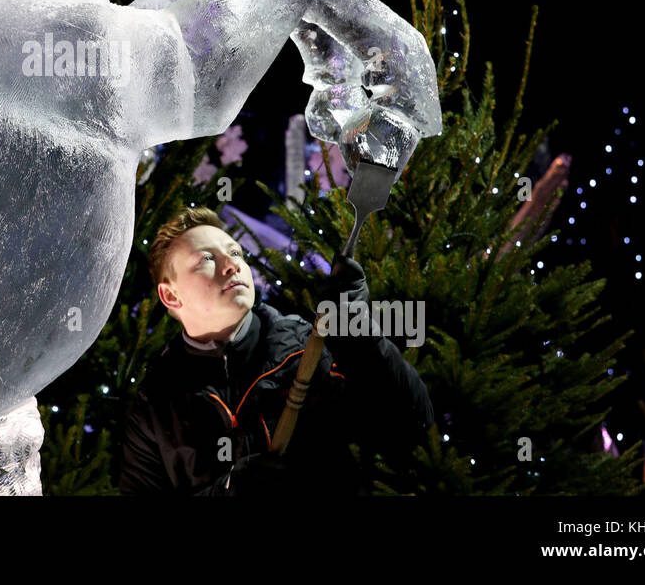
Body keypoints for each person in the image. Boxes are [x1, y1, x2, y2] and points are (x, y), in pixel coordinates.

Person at [116, 206, 434, 495]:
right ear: (171, 297)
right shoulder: (156, 404)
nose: (232, 265)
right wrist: (227, 489)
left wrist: (360, 334)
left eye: (235, 253)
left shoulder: (308, 348)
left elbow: (411, 431)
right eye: (206, 259)